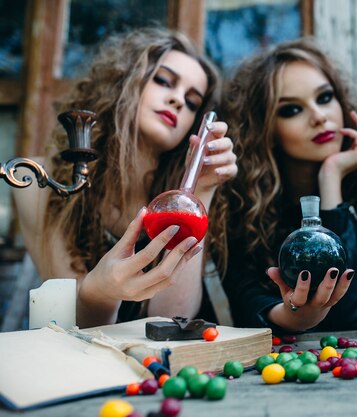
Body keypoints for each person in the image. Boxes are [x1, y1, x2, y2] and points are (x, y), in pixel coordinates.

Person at [13, 28, 237, 328]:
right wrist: (101, 293)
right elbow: (70, 324)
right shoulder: (41, 181)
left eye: (193, 102)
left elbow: (170, 320)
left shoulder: (177, 198)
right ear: (124, 83)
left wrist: (202, 189)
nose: (178, 101)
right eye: (163, 81)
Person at [219, 38, 357, 333]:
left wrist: (331, 179)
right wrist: (292, 317)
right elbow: (246, 304)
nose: (319, 117)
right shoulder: (239, 199)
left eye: (324, 98)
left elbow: (353, 315)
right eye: (291, 110)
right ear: (267, 129)